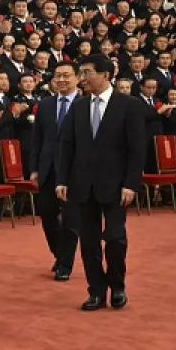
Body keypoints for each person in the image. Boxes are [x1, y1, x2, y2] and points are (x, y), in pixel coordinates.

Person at [55, 55, 145, 311]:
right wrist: (61, 179)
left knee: (115, 238)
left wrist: (131, 183)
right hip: (82, 184)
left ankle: (117, 286)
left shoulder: (129, 105)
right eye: (81, 73)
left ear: (105, 74)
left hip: (117, 186)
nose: (82, 78)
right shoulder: (79, 106)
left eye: (87, 73)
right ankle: (96, 291)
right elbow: (67, 145)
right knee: (89, 241)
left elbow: (136, 150)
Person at [29, 60, 80, 281]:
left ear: (77, 78)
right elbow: (37, 139)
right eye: (58, 76)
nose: (61, 80)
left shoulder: (86, 103)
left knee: (70, 219)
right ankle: (60, 254)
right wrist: (34, 168)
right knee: (47, 215)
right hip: (47, 168)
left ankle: (65, 265)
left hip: (74, 170)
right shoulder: (46, 105)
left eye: (66, 76)